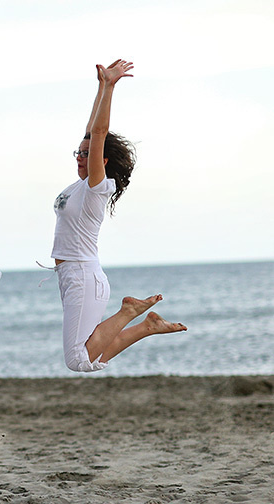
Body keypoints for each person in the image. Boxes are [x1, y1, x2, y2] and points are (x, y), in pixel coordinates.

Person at [49, 59, 186, 372]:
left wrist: (110, 87)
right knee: (90, 354)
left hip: (83, 275)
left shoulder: (96, 188)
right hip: (71, 275)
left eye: (87, 154)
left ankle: (129, 312)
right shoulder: (79, 187)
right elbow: (91, 131)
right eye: (78, 152)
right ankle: (147, 326)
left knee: (77, 360)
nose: (80, 157)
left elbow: (99, 132)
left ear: (102, 160)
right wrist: (100, 87)